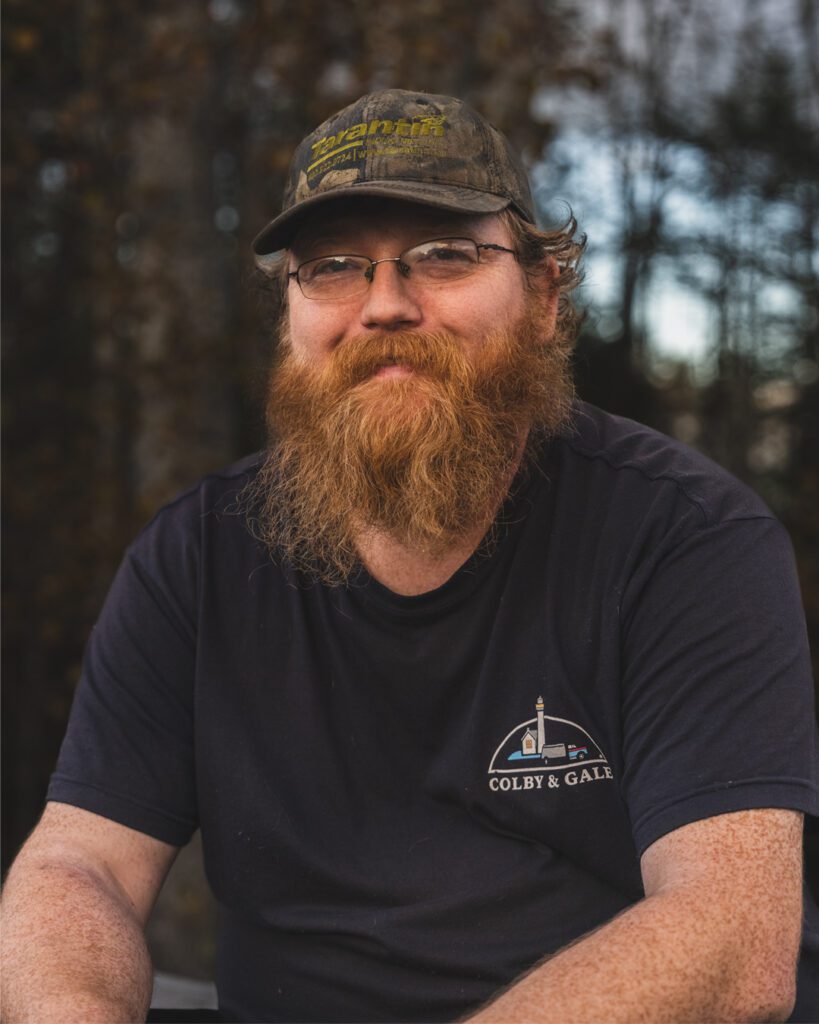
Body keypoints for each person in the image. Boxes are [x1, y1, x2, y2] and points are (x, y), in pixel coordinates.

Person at [2, 89, 818, 1024]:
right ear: (291, 316)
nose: (384, 304)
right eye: (334, 267)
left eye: (445, 255)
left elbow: (731, 937)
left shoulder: (686, 540)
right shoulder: (197, 554)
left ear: (545, 296)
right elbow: (80, 862)